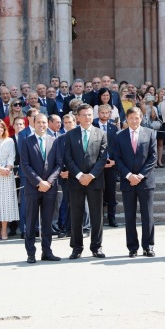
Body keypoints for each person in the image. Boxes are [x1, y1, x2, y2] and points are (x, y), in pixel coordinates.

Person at [64, 103, 108, 259]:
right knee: (76, 215)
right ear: (78, 117)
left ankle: (97, 247)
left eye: (90, 114)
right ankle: (76, 248)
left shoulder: (101, 133)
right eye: (84, 115)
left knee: (97, 216)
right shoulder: (70, 135)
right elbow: (67, 158)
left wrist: (90, 176)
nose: (87, 117)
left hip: (95, 180)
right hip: (76, 181)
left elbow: (103, 158)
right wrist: (79, 175)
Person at [114, 107, 157, 257]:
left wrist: (140, 175)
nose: (134, 120)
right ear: (126, 118)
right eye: (131, 118)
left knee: (147, 215)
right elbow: (117, 159)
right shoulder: (119, 136)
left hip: (145, 182)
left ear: (141, 117)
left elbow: (153, 158)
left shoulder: (150, 133)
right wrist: (128, 175)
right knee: (129, 215)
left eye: (137, 117)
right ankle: (132, 247)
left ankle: (148, 246)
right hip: (128, 182)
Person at [20, 114, 63, 263]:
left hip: (50, 188)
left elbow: (58, 164)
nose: (42, 125)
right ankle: (31, 253)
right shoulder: (26, 142)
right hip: (33, 187)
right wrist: (39, 182)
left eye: (44, 122)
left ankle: (47, 251)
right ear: (33, 123)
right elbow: (25, 165)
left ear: (47, 124)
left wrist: (49, 182)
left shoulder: (55, 141)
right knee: (31, 221)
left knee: (47, 221)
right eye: (38, 122)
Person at [93, 104, 119, 227]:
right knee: (98, 192)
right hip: (96, 166)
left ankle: (112, 217)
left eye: (106, 113)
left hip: (111, 165)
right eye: (102, 113)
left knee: (111, 192)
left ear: (110, 114)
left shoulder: (113, 128)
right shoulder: (92, 126)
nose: (104, 115)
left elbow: (116, 147)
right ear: (98, 113)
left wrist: (114, 161)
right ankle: (98, 218)